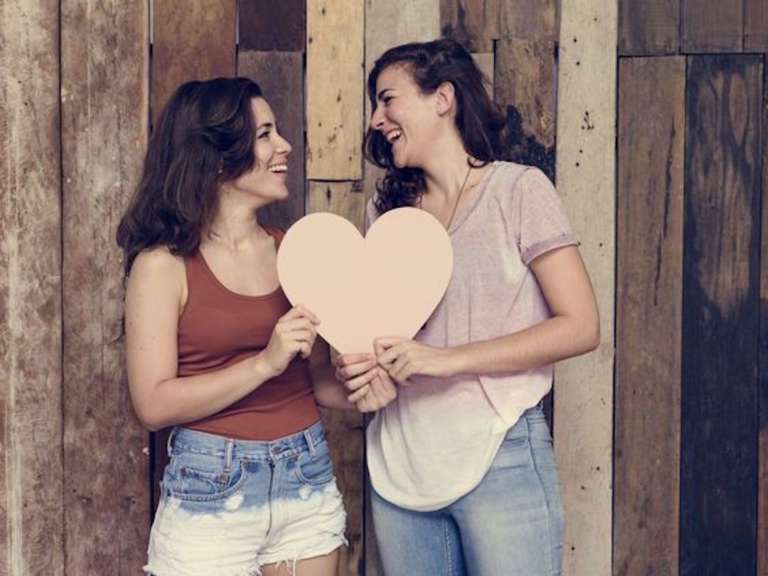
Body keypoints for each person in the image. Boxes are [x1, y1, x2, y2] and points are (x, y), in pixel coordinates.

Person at [334, 39, 600, 576]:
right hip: (401, 467)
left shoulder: (519, 190)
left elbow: (581, 326)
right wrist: (360, 370)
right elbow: (377, 338)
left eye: (387, 99)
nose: (376, 120)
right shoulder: (386, 213)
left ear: (443, 98)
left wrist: (445, 359)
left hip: (498, 454)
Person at [117, 77, 395, 576]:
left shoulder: (293, 250)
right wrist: (264, 363)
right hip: (210, 492)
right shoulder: (162, 265)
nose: (284, 145)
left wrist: (366, 388)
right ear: (218, 159)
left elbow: (316, 380)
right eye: (265, 134)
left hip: (305, 477)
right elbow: (153, 404)